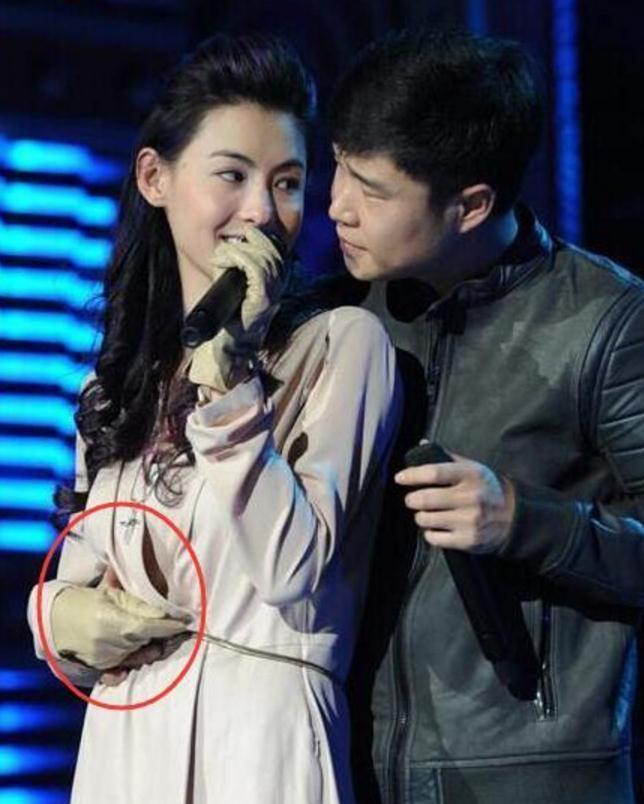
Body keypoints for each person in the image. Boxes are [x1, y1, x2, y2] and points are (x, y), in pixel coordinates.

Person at [27, 33, 401, 803]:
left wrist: (230, 385)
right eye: (232, 175)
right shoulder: (115, 388)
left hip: (264, 747)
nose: (261, 211)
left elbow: (295, 572)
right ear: (155, 178)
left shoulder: (344, 346)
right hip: (125, 748)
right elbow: (84, 590)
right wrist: (54, 614)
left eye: (287, 182)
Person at [328, 28, 644, 804]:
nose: (336, 206)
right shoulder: (341, 316)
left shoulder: (607, 321)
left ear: (471, 204)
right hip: (351, 767)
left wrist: (524, 521)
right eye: (337, 166)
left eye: (372, 190)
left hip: (532, 778)